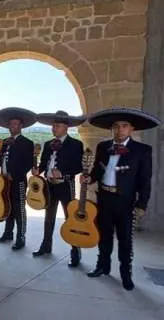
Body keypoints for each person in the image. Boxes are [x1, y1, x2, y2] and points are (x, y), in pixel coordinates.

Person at [83, 108, 160, 291]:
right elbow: (97, 171)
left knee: (125, 240)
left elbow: (145, 180)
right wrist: (89, 178)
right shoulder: (103, 147)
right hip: (104, 198)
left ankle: (126, 274)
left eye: (124, 126)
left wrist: (142, 204)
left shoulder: (142, 150)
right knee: (104, 236)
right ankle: (103, 266)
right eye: (116, 126)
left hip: (125, 202)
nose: (119, 130)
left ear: (131, 129)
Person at [31, 111, 85, 266]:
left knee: (70, 218)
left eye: (57, 126)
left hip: (66, 185)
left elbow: (79, 166)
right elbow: (43, 163)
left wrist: (64, 173)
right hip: (49, 186)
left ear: (66, 127)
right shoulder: (48, 144)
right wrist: (38, 170)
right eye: (53, 126)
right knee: (49, 218)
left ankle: (75, 251)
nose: (54, 129)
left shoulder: (76, 144)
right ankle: (46, 246)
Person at [0, 107, 35, 250]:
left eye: (16, 124)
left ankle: (20, 237)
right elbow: (0, 162)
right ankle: (7, 233)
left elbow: (28, 163)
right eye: (11, 124)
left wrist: (14, 174)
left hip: (18, 181)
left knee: (19, 209)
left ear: (21, 126)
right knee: (7, 207)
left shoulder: (27, 143)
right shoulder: (4, 142)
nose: (13, 127)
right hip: (4, 181)